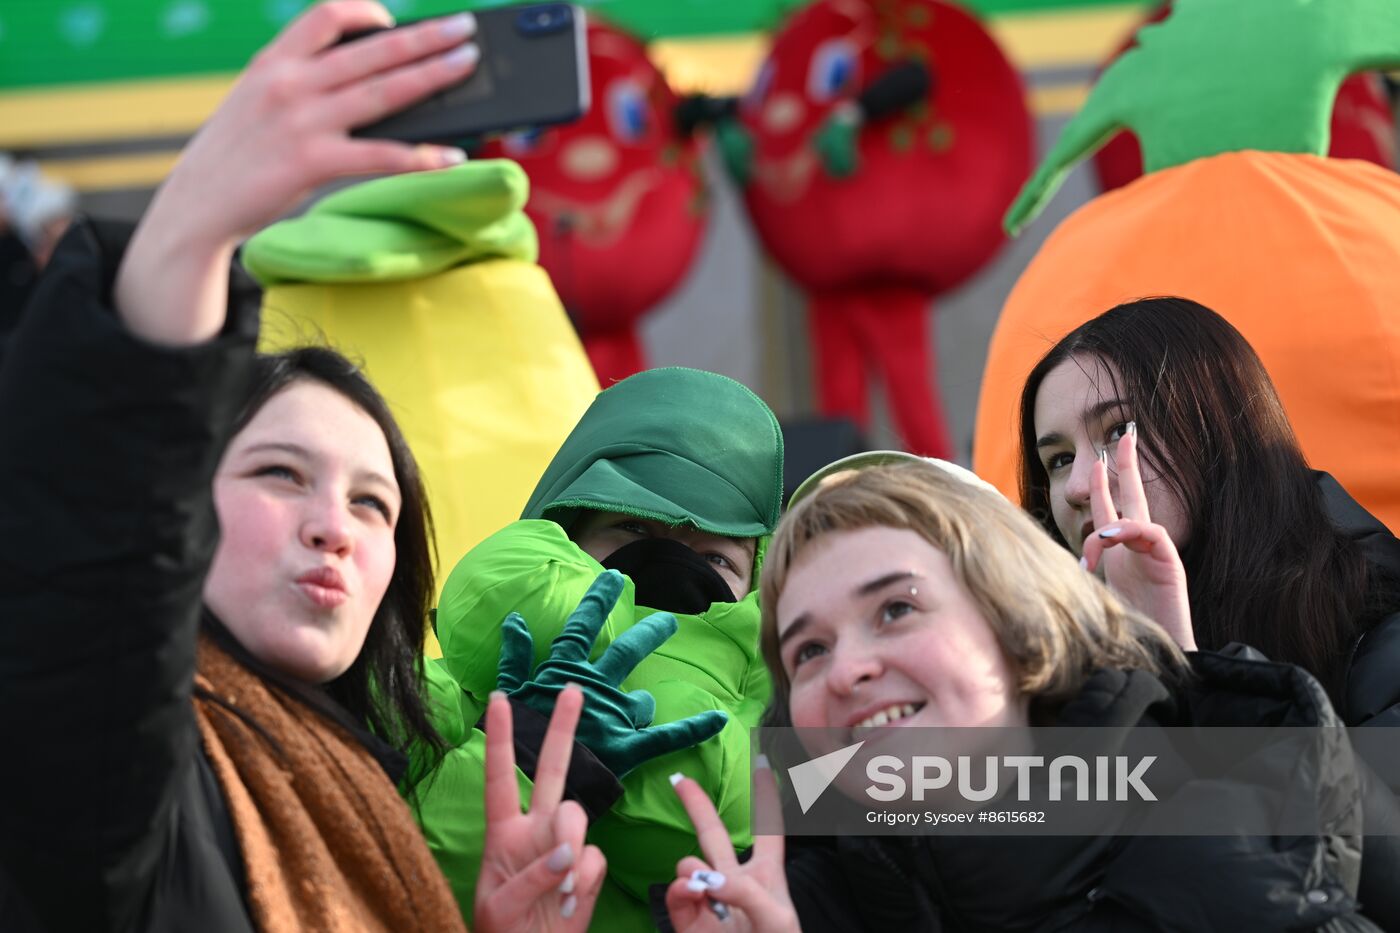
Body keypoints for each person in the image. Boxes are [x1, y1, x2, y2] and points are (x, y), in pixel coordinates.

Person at [0, 4, 605, 930]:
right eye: (281, 473)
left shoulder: (376, 787)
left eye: (375, 504)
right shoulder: (102, 761)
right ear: (176, 501)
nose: (334, 524)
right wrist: (194, 219)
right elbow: (97, 566)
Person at [659, 448, 1399, 931]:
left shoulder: (1220, 855)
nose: (846, 668)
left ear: (1017, 623)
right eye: (809, 649)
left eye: (895, 608)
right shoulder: (764, 907)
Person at [418, 366, 785, 931]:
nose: (670, 571)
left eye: (715, 559)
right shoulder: (434, 694)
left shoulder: (805, 720)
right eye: (633, 531)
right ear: (565, 532)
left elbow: (949, 801)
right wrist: (525, 758)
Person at [1019, 297, 1400, 726]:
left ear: (1217, 430)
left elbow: (1344, 793)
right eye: (1059, 459)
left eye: (1118, 430)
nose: (1076, 486)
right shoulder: (1045, 674)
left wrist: (1185, 673)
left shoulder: (1379, 629)